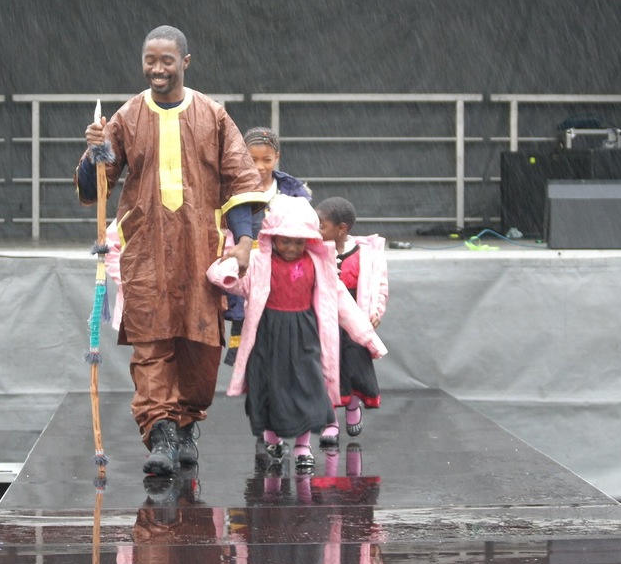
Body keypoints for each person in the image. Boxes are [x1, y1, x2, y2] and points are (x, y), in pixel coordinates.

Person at [75, 25, 265, 477]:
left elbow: (241, 182)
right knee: (151, 345)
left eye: (166, 60)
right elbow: (94, 188)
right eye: (149, 60)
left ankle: (185, 425)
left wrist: (243, 244)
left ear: (185, 62)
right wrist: (93, 153)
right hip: (146, 252)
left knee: (200, 351)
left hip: (201, 253)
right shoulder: (126, 117)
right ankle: (159, 433)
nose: (157, 69)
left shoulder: (213, 116)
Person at [207, 195, 387, 474]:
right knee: (269, 388)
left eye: (298, 242)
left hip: (305, 335)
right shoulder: (259, 262)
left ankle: (303, 446)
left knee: (307, 388)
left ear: (310, 240)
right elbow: (223, 277)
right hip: (267, 335)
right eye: (285, 241)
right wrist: (232, 263)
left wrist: (369, 339)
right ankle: (272, 440)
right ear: (272, 236)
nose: (291, 248)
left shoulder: (319, 265)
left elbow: (343, 303)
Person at [224, 127, 312, 365]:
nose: (260, 166)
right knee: (250, 342)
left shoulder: (293, 191)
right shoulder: (233, 190)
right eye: (252, 160)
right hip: (248, 271)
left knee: (281, 332)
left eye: (267, 160)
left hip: (282, 272)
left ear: (277, 158)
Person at [316, 196, 389, 447]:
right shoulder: (315, 251)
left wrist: (376, 311)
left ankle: (353, 405)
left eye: (322, 226)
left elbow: (380, 285)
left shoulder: (367, 255)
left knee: (354, 366)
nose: (317, 231)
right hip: (325, 321)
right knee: (326, 369)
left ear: (341, 229)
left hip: (354, 322)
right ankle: (330, 421)